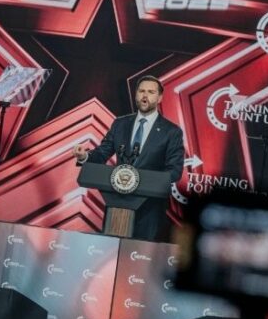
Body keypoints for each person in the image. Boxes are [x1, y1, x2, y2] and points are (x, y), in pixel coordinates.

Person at [73, 75, 185, 241]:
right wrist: (84, 156)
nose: (145, 96)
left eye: (151, 92)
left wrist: (145, 180)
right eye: (141, 91)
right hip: (117, 204)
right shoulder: (120, 124)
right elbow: (103, 153)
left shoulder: (172, 131)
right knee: (111, 250)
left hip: (149, 209)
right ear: (136, 94)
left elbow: (174, 171)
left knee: (139, 253)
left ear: (160, 97)